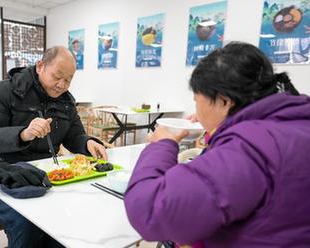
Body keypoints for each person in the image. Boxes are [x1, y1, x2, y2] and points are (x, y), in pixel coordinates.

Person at [124, 41, 310, 247]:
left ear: (224, 101)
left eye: (196, 100)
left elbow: (149, 211)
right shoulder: (294, 122)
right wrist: (222, 131)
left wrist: (161, 145)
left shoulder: (247, 147)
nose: (195, 109)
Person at [0, 46, 107, 248]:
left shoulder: (66, 102)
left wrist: (87, 142)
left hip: (42, 179)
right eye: (57, 76)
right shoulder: (6, 91)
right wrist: (22, 134)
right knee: (27, 224)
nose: (62, 85)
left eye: (68, 79)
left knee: (69, 220)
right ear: (40, 66)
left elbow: (74, 135)